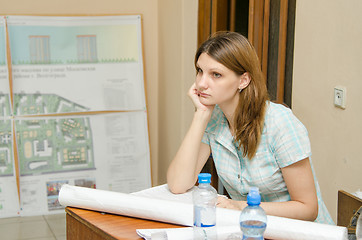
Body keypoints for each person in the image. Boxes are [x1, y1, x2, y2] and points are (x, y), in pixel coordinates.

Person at [167, 31, 334, 224]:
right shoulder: (214, 119)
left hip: (301, 232)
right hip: (252, 229)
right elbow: (178, 184)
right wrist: (201, 115)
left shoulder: (279, 122)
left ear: (243, 80)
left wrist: (240, 206)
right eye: (199, 71)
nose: (201, 83)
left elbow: (308, 208)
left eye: (216, 74)